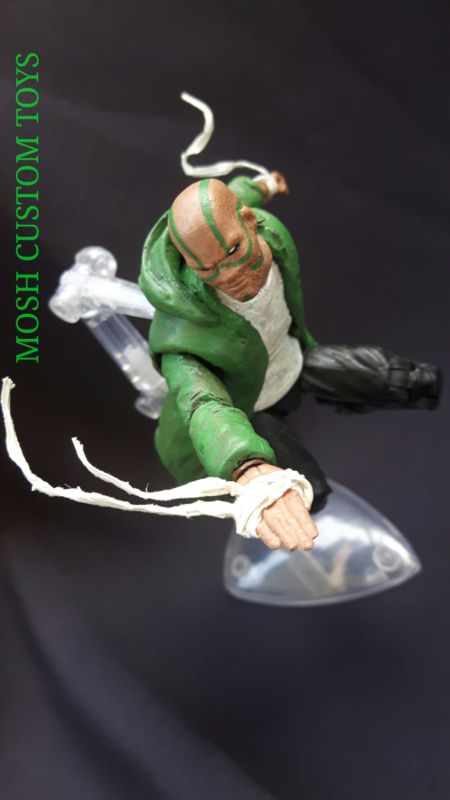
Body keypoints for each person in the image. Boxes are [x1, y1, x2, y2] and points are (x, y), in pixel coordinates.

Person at [139, 173, 441, 552]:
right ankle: (321, 551)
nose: (227, 275)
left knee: (399, 378)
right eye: (207, 269)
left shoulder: (268, 233)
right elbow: (203, 404)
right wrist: (245, 465)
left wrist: (262, 185)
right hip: (251, 409)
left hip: (294, 360)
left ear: (249, 222)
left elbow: (236, 196)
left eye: (232, 252)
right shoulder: (183, 337)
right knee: (307, 493)